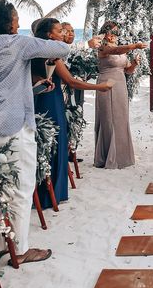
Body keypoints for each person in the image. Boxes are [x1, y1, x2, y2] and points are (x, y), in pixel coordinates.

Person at [0, 0, 69, 264]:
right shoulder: (19, 44)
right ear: (7, 23)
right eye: (15, 19)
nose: (19, 23)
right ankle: (20, 250)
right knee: (22, 187)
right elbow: (62, 48)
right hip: (12, 126)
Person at [33, 18, 112, 209]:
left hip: (41, 99)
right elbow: (71, 81)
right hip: (51, 101)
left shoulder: (35, 52)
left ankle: (44, 193)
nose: (64, 34)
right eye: (59, 31)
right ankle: (50, 195)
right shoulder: (51, 54)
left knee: (45, 145)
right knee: (53, 144)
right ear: (50, 35)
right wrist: (100, 87)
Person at [94, 21, 148, 169]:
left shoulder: (120, 48)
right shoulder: (102, 47)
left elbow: (127, 70)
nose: (113, 35)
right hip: (106, 83)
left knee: (120, 117)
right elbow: (115, 51)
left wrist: (135, 63)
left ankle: (121, 156)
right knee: (108, 118)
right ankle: (108, 156)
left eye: (116, 32)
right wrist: (134, 46)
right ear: (104, 33)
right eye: (110, 31)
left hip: (120, 84)